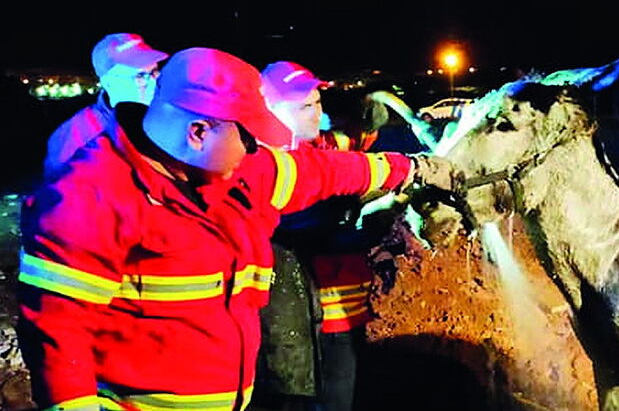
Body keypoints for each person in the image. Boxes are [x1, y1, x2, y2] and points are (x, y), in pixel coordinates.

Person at [17, 47, 457, 411]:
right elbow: (57, 340)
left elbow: (322, 172)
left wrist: (410, 168)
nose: (256, 149)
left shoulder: (241, 173)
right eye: (247, 137)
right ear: (197, 132)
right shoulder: (87, 198)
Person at [254, 61, 393, 411]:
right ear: (270, 108)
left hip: (343, 306)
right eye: (305, 106)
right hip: (307, 317)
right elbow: (306, 229)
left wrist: (367, 124)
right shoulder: (268, 164)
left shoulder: (321, 145)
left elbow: (353, 147)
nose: (317, 112)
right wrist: (375, 223)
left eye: (318, 102)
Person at [43, 32, 169, 179]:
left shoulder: (167, 117)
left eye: (155, 71)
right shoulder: (79, 137)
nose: (154, 82)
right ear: (109, 83)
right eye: (140, 76)